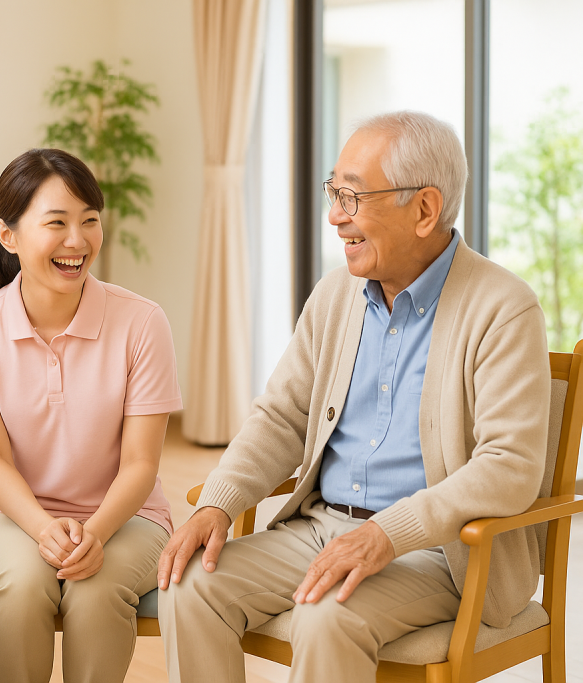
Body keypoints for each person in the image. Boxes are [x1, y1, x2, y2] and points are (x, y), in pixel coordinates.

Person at [158, 111, 550, 683]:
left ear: (425, 210)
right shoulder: (335, 295)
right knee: (189, 584)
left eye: (353, 197)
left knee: (326, 615)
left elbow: (509, 466)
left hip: (441, 554)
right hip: (319, 528)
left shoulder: (503, 309)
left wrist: (388, 533)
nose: (335, 216)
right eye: (334, 192)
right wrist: (217, 502)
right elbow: (281, 416)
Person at [0, 148, 182, 683]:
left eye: (89, 221)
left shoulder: (142, 322)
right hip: (15, 516)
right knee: (22, 586)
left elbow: (141, 463)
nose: (78, 241)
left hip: (129, 516)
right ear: (7, 235)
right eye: (56, 223)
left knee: (96, 588)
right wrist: (43, 528)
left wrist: (95, 532)